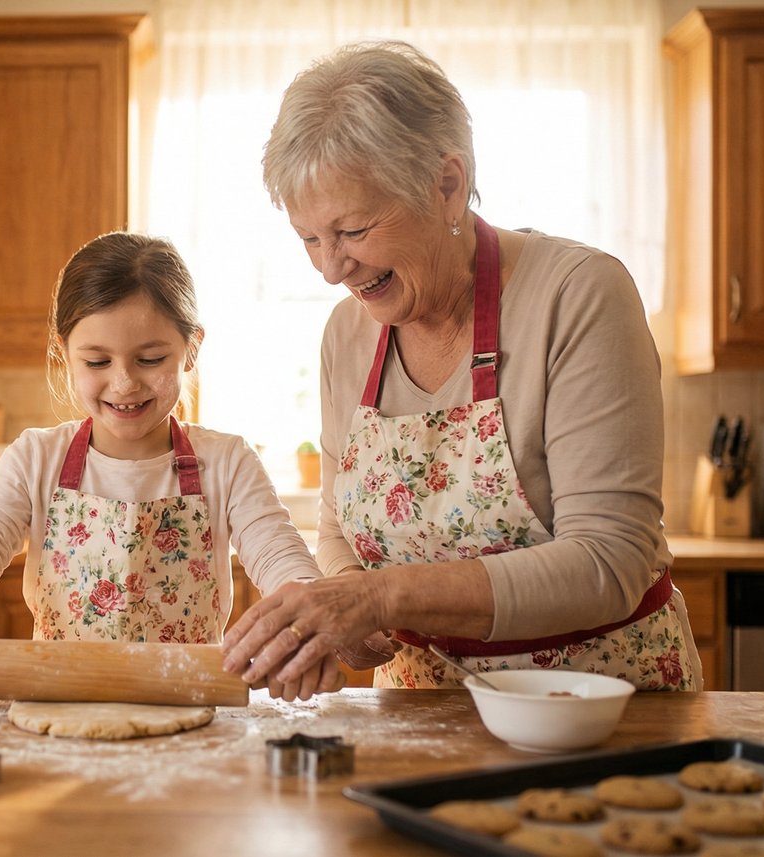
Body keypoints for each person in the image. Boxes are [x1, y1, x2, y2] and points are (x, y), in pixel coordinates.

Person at [221, 41, 702, 692]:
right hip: (423, 718)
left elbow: (607, 563)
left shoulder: (579, 295)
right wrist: (344, 605)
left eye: (353, 230)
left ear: (447, 185)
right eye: (310, 237)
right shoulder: (347, 334)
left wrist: (379, 599)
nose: (331, 269)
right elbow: (338, 525)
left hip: (599, 716)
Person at [0, 231, 343, 701]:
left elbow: (283, 560)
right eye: (97, 361)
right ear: (65, 353)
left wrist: (304, 624)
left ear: (192, 349)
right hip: (60, 715)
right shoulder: (35, 459)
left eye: (151, 359)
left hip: (194, 717)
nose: (123, 383)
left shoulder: (226, 463)